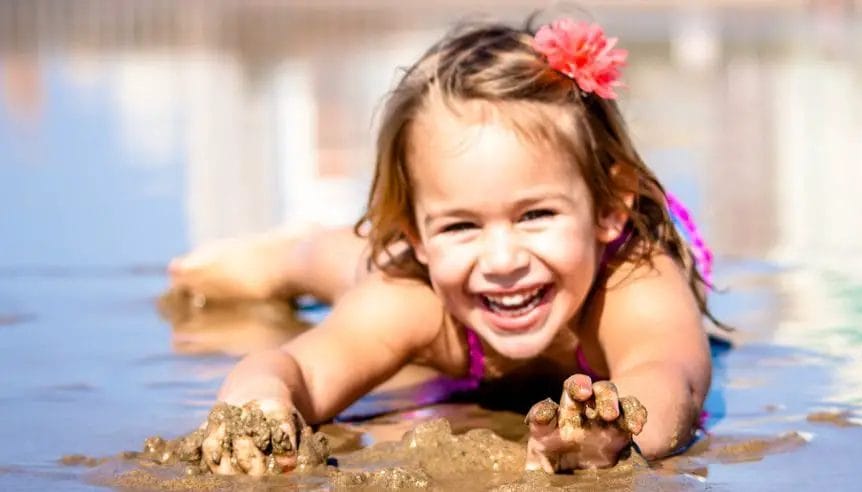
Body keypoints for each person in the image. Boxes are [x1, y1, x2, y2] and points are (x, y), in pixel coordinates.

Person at [168, 16, 719, 475]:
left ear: (607, 208)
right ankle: (284, 255)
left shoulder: (633, 281)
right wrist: (259, 403)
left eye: (535, 215)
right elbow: (300, 369)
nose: (503, 261)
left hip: (575, 265)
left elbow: (672, 376)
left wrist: (617, 427)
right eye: (460, 225)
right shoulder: (415, 294)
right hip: (407, 277)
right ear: (417, 234)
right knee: (349, 265)